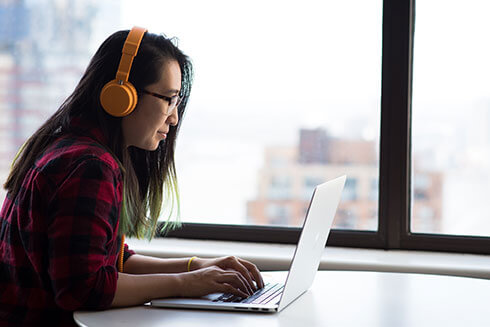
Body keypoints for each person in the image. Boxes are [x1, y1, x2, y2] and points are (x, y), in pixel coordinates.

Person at [0, 27, 264, 326]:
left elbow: (108, 259)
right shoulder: (90, 166)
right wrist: (186, 283)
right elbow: (82, 288)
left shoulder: (66, 146)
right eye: (168, 99)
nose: (174, 118)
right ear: (120, 95)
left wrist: (195, 267)